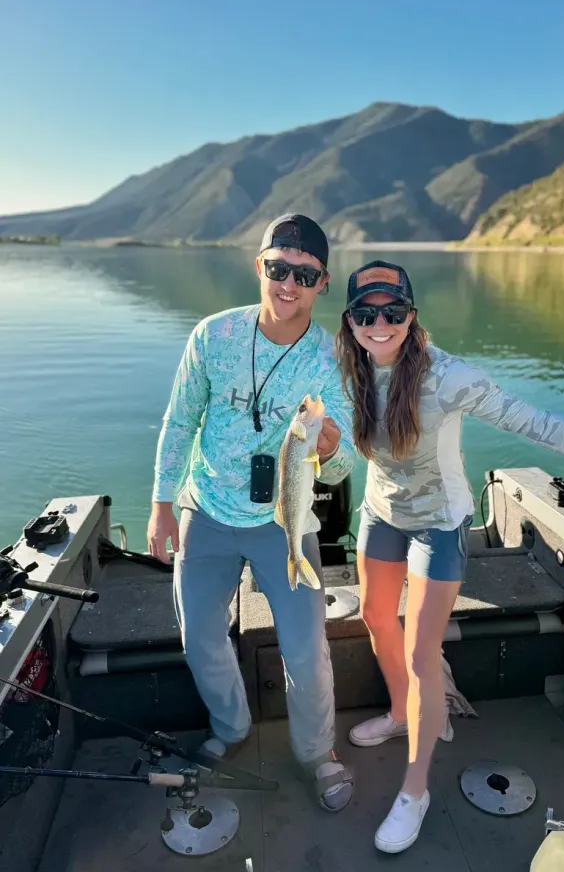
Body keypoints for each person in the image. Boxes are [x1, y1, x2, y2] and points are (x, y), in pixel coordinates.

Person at [335, 259, 564, 852]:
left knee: (421, 653)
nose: (379, 325)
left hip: (439, 524)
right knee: (377, 617)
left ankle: (414, 790)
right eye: (366, 313)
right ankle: (402, 714)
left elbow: (542, 426)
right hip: (380, 514)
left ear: (412, 315)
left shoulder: (447, 377)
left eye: (393, 312)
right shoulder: (345, 368)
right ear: (350, 321)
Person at [147, 213, 357, 812]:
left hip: (285, 524)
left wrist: (330, 449)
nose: (288, 284)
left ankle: (317, 752)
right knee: (199, 635)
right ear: (258, 266)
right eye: (278, 268)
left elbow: (344, 467)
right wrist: (162, 504)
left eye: (304, 275)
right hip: (206, 511)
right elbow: (180, 421)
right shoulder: (212, 336)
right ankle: (231, 726)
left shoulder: (334, 358)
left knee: (306, 650)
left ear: (322, 283)